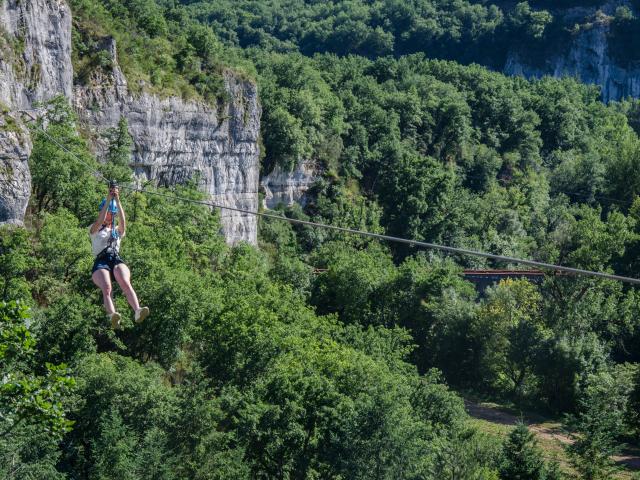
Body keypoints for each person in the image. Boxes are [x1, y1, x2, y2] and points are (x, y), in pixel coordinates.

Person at [89, 184, 149, 329]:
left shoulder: (117, 230)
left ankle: (137, 310)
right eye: (110, 212)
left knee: (125, 282)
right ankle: (112, 315)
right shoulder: (94, 228)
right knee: (107, 288)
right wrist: (109, 199)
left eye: (112, 213)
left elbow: (123, 222)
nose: (111, 215)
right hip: (101, 260)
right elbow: (100, 219)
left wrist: (118, 200)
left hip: (115, 258)